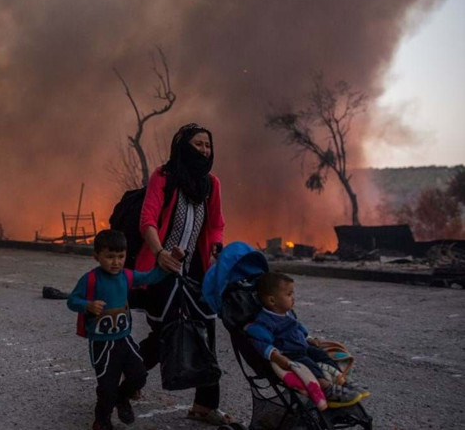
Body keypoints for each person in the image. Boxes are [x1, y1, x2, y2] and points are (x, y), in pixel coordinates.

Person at [133, 123, 233, 426]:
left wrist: (216, 248)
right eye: (198, 144)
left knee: (207, 332)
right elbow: (147, 219)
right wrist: (160, 253)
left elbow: (216, 224)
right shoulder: (164, 177)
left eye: (208, 145)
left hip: (198, 272)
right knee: (167, 335)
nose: (204, 150)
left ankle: (204, 406)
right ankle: (128, 375)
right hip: (162, 269)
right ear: (183, 146)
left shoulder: (211, 184)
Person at [67, 229, 167, 430]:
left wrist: (169, 263)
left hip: (124, 339)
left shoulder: (127, 276)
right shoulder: (90, 279)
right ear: (97, 256)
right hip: (102, 345)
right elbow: (72, 300)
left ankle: (122, 398)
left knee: (139, 375)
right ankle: (102, 420)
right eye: (110, 257)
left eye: (120, 257)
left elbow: (150, 277)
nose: (116, 262)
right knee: (106, 387)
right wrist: (87, 305)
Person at [245, 272, 369, 408]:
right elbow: (261, 342)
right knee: (308, 364)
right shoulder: (265, 321)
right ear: (272, 300)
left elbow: (298, 328)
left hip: (303, 347)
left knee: (321, 354)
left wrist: (308, 338)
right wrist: (276, 356)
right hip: (290, 353)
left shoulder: (288, 313)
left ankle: (341, 380)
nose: (293, 298)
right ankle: (327, 389)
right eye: (289, 294)